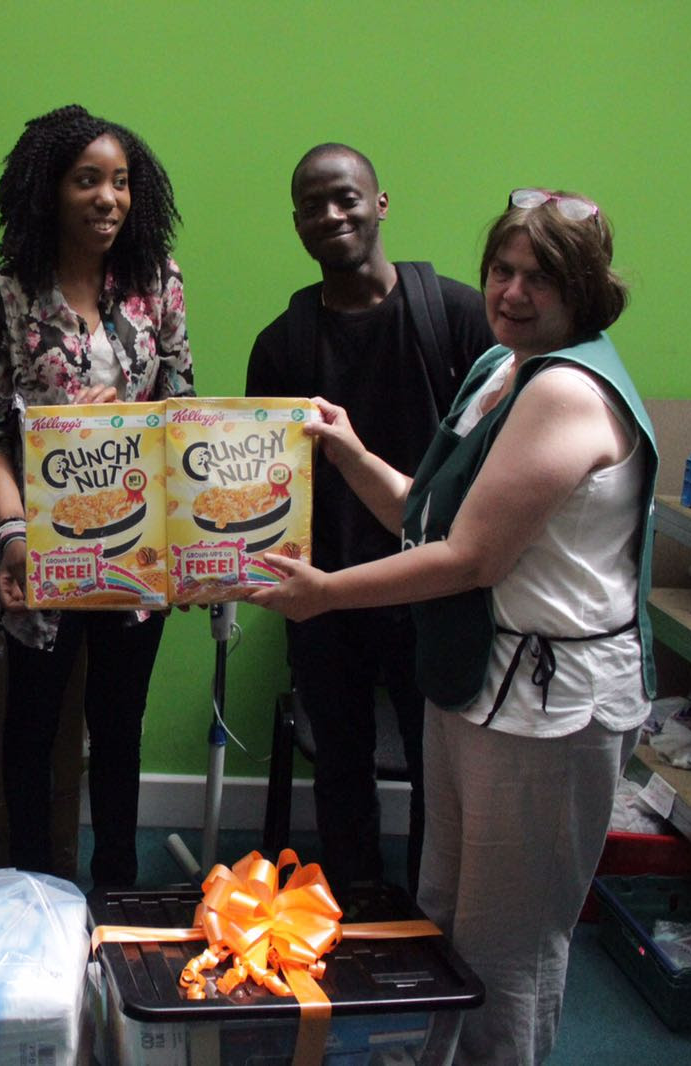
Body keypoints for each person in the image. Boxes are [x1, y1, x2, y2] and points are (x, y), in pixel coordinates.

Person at [250, 189, 657, 1065]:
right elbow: (428, 517)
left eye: (540, 278)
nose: (511, 292)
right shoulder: (501, 370)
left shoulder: (566, 391)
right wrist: (351, 451)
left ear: (584, 290)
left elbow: (470, 558)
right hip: (476, 684)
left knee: (508, 950)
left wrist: (327, 592)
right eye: (502, 270)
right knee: (442, 915)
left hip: (550, 711)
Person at [245, 143, 494, 898]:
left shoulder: (457, 317)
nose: (331, 215)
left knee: (438, 768)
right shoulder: (282, 344)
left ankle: (427, 917)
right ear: (296, 223)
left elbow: (496, 457)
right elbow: (257, 485)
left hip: (434, 587)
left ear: (380, 203)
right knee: (340, 766)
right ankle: (350, 915)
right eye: (312, 205)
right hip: (326, 592)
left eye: (346, 198)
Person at [0, 104, 193, 888]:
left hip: (136, 549)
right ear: (49, 189)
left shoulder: (157, 284)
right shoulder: (3, 299)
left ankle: (118, 886)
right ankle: (34, 889)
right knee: (32, 728)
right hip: (38, 552)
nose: (108, 198)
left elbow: (181, 409)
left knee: (119, 725)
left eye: (120, 182)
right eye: (87, 180)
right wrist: (13, 537)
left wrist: (129, 417)